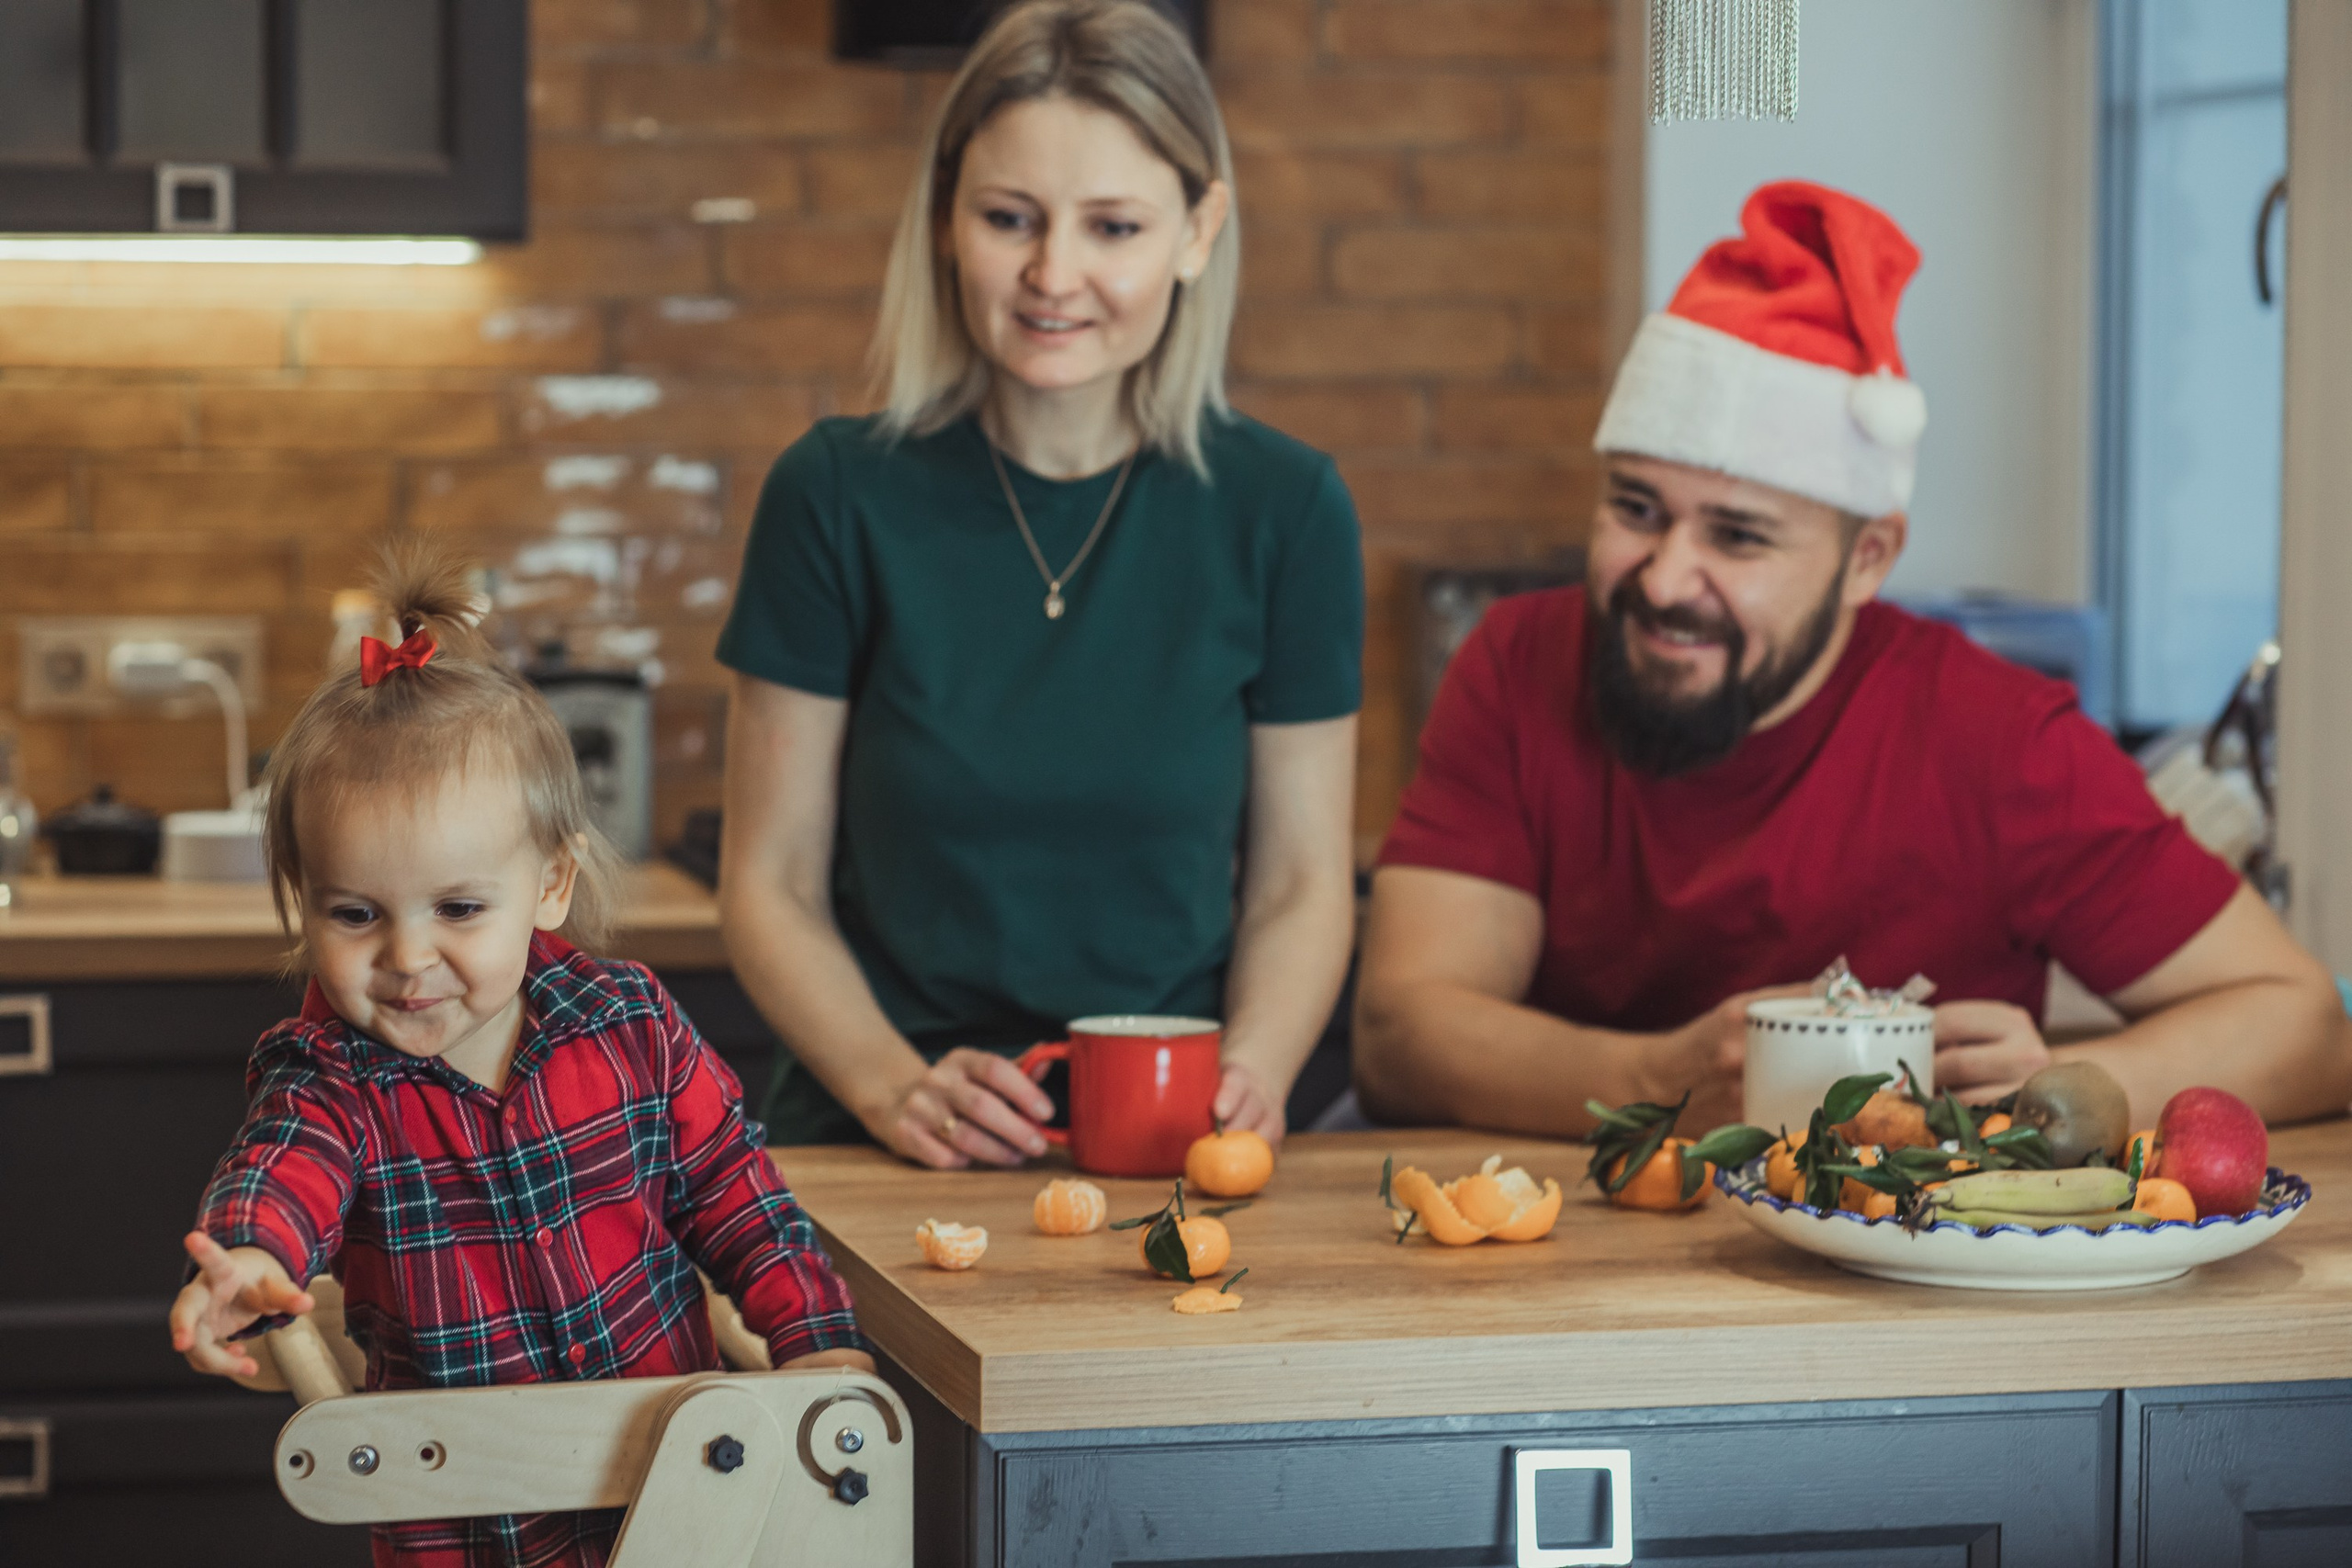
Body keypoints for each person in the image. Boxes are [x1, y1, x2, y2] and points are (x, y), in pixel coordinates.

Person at [1354, 181, 2352, 1138]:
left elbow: (2305, 1025)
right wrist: (1656, 1079)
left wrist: (2060, 1089)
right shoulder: (1518, 663)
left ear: (1866, 558)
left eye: (1738, 538)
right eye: (1634, 509)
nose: (1662, 580)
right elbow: (1401, 1034)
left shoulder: (1999, 741)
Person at [717, 0, 1362, 1168]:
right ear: (945, 222)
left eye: (1113, 226)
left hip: (1167, 1142)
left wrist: (1252, 1073)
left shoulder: (1288, 510)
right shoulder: (831, 494)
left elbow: (1304, 882)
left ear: (1196, 230)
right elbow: (768, 882)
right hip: (878, 1146)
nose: (1052, 273)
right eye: (1009, 218)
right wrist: (889, 1087)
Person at [169, 547, 870, 1568]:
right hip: (465, 1526)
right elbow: (284, 1167)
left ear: (549, 885)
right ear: (302, 901)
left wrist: (821, 1343)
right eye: (356, 913)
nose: (409, 958)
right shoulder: (328, 1076)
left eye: (458, 908)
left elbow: (737, 1196)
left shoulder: (629, 1021)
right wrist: (255, 1258)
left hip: (677, 1504)